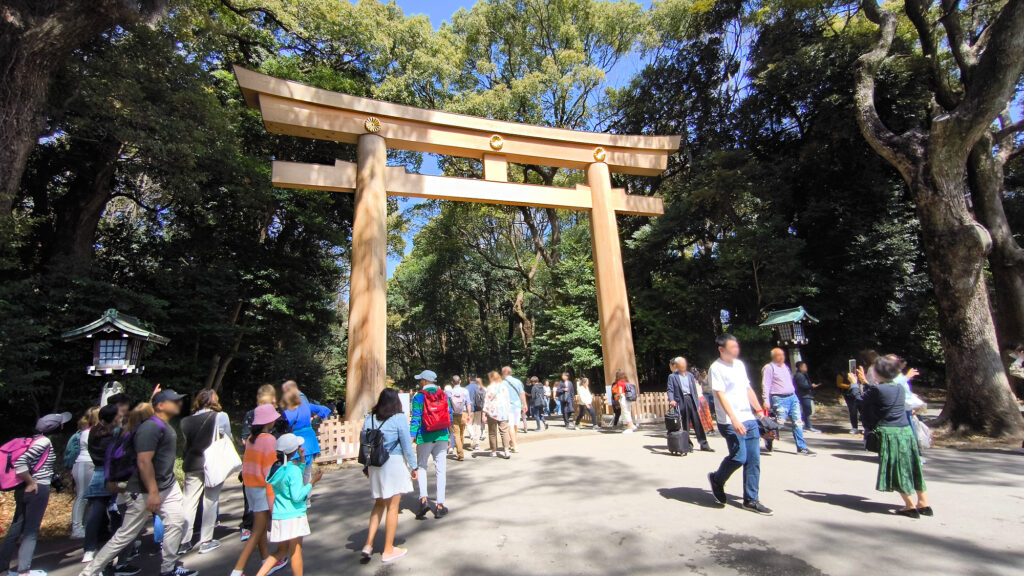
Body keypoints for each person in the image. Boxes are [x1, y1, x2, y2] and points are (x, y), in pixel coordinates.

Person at [81, 390, 197, 576]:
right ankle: (90, 572)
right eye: (174, 401)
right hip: (146, 489)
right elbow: (144, 461)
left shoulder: (161, 424)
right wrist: (152, 492)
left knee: (177, 521)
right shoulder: (150, 427)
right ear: (160, 406)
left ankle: (168, 568)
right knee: (125, 535)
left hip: (166, 486)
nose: (179, 403)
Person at [707, 334, 773, 516]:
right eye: (732, 347)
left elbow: (747, 388)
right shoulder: (716, 368)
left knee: (754, 460)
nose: (736, 350)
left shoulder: (739, 365)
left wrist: (759, 412)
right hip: (729, 421)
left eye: (737, 346)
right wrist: (734, 419)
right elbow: (720, 395)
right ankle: (717, 479)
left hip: (748, 418)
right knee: (739, 457)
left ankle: (751, 500)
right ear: (721, 349)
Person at [0, 411, 70, 576]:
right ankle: (24, 570)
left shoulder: (34, 440)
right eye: (61, 423)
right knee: (31, 530)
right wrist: (32, 482)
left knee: (16, 529)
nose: (63, 425)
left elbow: (38, 465)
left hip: (22, 489)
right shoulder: (44, 442)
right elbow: (21, 463)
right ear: (56, 427)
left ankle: (3, 568)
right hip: (37, 489)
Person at [861, 354, 931, 518]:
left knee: (896, 468)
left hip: (890, 432)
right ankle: (923, 502)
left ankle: (909, 505)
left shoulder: (877, 389)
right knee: (912, 466)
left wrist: (854, 385)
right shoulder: (900, 386)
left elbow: (861, 401)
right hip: (905, 430)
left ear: (878, 373)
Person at [252, 434, 322, 576]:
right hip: (294, 515)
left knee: (281, 551)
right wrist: (312, 482)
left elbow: (291, 480)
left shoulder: (277, 469)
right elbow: (297, 495)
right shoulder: (293, 470)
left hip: (280, 515)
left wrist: (302, 462)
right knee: (295, 552)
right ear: (294, 451)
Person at [360, 389, 418, 563]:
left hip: (375, 465)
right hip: (393, 463)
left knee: (378, 503)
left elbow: (364, 442)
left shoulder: (369, 418)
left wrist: (366, 465)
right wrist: (414, 466)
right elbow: (407, 445)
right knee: (393, 507)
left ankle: (368, 544)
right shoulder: (398, 418)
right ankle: (388, 549)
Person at [230, 405, 288, 576]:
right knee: (257, 531)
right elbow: (270, 470)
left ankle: (265, 559)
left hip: (250, 487)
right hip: (262, 488)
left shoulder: (250, 439)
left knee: (260, 529)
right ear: (268, 421)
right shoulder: (269, 440)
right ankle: (238, 569)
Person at [179, 389, 232, 555]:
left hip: (192, 463)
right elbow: (227, 437)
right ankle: (206, 540)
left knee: (189, 501)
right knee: (211, 500)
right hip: (212, 463)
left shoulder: (185, 421)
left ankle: (183, 540)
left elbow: (186, 444)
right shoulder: (220, 416)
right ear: (214, 400)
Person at [238, 385, 288, 543]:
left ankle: (265, 554)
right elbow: (270, 475)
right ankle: (241, 566)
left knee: (260, 527)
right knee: (259, 528)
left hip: (254, 477)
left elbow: (285, 431)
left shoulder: (258, 434)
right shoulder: (264, 435)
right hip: (265, 475)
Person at [408, 370, 452, 519]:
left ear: (426, 381)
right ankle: (440, 505)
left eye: (421, 379)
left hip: (424, 436)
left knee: (422, 467)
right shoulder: (443, 395)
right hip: (442, 435)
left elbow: (416, 418)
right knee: (441, 470)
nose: (419, 381)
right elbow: (449, 415)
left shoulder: (419, 397)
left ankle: (424, 499)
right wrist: (449, 434)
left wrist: (412, 437)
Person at [81, 405, 121, 564]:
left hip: (98, 472)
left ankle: (89, 549)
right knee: (119, 513)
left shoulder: (92, 431)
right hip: (113, 473)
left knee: (96, 514)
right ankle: (121, 548)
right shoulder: (114, 434)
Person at [281, 386, 333, 500]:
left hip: (294, 440)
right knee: (306, 471)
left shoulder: (289, 410)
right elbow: (325, 409)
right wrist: (315, 418)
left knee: (294, 470)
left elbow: (285, 424)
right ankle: (307, 498)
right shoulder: (307, 406)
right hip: (309, 440)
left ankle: (295, 496)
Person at [761, 349, 815, 456]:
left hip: (792, 397)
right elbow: (765, 384)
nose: (781, 357)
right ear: (773, 357)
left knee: (798, 422)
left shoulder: (786, 367)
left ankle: (801, 447)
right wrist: (766, 400)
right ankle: (768, 436)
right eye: (778, 355)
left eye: (782, 355)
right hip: (779, 398)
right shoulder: (769, 368)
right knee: (779, 423)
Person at [667, 357, 713, 453]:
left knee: (697, 423)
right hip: (681, 399)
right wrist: (671, 400)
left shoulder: (690, 375)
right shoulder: (672, 376)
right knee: (685, 424)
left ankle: (704, 444)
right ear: (676, 365)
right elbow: (670, 389)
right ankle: (687, 445)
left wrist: (696, 402)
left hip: (691, 399)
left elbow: (694, 390)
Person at [71, 407, 100, 539]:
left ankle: (87, 526)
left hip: (90, 464)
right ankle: (76, 529)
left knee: (90, 498)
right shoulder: (87, 432)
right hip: (85, 463)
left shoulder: (93, 431)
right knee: (82, 496)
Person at [482, 371, 512, 459]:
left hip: (492, 412)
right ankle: (506, 451)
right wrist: (507, 411)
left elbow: (486, 401)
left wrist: (484, 413)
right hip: (503, 412)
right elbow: (508, 400)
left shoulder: (489, 388)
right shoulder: (504, 387)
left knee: (492, 433)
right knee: (504, 431)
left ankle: (493, 451)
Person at [449, 376, 473, 461]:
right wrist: (469, 415)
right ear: (460, 381)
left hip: (454, 415)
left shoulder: (450, 392)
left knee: (456, 434)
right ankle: (460, 450)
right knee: (462, 433)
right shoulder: (465, 391)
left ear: (452, 382)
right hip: (463, 414)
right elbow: (468, 403)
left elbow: (448, 405)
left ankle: (460, 454)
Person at [501, 367, 527, 445]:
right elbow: (522, 393)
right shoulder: (518, 381)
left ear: (504, 373)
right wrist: (525, 404)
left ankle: (514, 444)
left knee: (510, 425)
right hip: (517, 406)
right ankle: (513, 441)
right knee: (515, 424)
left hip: (508, 407)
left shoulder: (502, 383)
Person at [793, 361, 821, 433]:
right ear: (800, 367)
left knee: (807, 410)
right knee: (807, 410)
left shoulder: (803, 374)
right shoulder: (799, 375)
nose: (806, 368)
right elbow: (801, 386)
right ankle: (807, 426)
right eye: (804, 366)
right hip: (803, 395)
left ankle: (805, 424)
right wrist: (811, 386)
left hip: (806, 394)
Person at [465, 375, 483, 449]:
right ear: (476, 379)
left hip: (469, 409)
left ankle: (472, 435)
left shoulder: (466, 388)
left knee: (468, 423)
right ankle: (477, 444)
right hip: (478, 408)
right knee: (477, 425)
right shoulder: (479, 387)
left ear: (469, 379)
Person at [472, 376, 487, 448]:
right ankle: (483, 432)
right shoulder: (485, 389)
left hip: (476, 407)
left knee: (477, 422)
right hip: (483, 406)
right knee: (482, 419)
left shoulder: (475, 389)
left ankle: (476, 435)